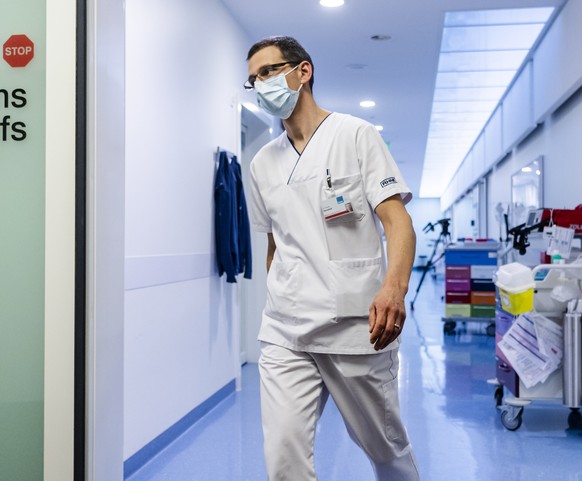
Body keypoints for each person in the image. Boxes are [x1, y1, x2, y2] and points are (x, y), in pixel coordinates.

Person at [245, 36, 420, 481]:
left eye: (267, 71)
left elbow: (397, 222)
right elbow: (275, 243)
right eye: (253, 79)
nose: (261, 83)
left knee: (386, 449)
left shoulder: (354, 135)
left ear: (302, 71)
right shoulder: (262, 163)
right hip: (286, 330)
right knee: (283, 456)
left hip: (356, 327)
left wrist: (394, 289)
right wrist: (286, 294)